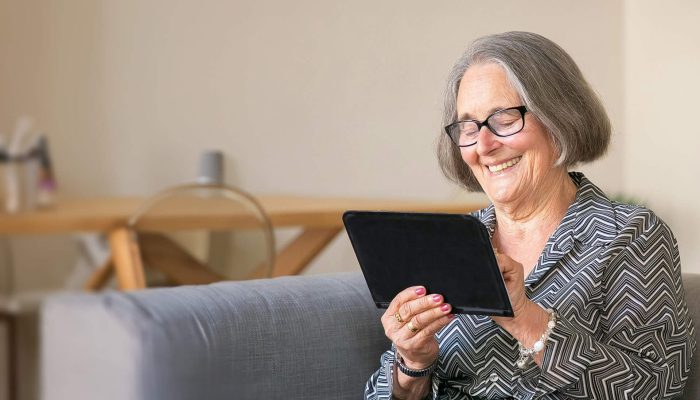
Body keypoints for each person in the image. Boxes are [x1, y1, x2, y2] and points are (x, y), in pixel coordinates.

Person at [364, 31, 696, 399]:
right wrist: (412, 364)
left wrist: (524, 316)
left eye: (503, 118)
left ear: (559, 118)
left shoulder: (629, 234)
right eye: (468, 127)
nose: (484, 146)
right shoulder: (454, 241)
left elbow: (656, 385)